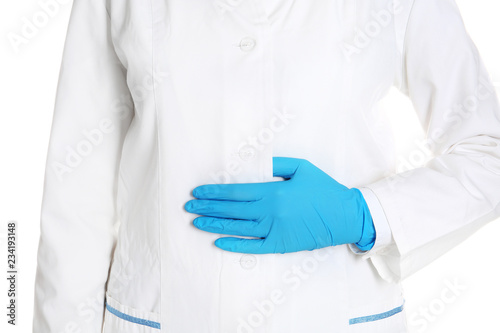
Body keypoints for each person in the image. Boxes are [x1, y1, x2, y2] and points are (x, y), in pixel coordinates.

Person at [33, 0, 500, 332]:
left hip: (333, 314)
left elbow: (488, 154)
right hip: (164, 314)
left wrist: (365, 214)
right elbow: (77, 191)